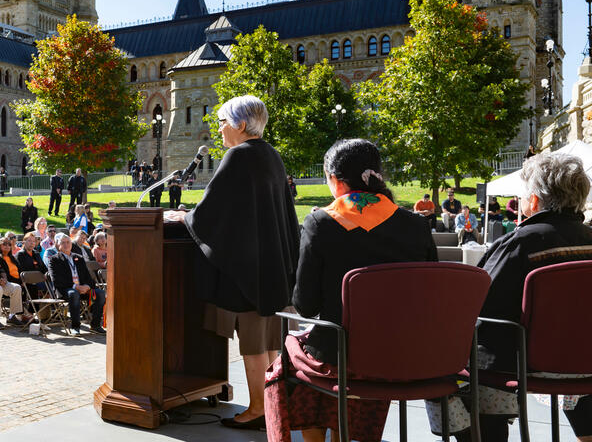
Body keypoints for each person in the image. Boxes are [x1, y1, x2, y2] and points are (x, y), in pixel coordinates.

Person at [263, 138, 436, 442]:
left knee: (288, 364)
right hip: (401, 356)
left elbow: (305, 305)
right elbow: (430, 293)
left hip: (339, 356)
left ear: (333, 179)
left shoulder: (320, 222)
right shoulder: (416, 226)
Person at [168, 94, 299, 431]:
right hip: (272, 264)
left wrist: (184, 217)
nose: (221, 128)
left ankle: (257, 407)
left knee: (253, 342)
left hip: (248, 267)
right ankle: (273, 404)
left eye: (224, 121)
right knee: (270, 340)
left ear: (241, 125)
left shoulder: (238, 156)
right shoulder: (271, 155)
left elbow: (212, 211)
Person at [444, 152, 592, 442]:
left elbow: (479, 304)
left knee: (452, 372)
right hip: (585, 360)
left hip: (529, 363)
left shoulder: (519, 243)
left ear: (533, 201)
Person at [47, 232, 104, 334]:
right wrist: (76, 286)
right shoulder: (54, 260)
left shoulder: (79, 258)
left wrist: (86, 286)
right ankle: (75, 327)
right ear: (58, 245)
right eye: (63, 242)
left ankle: (95, 325)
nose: (66, 244)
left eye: (68, 242)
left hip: (83, 290)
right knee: (74, 294)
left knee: (99, 293)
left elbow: (87, 276)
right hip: (66, 290)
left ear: (71, 244)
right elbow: (57, 280)